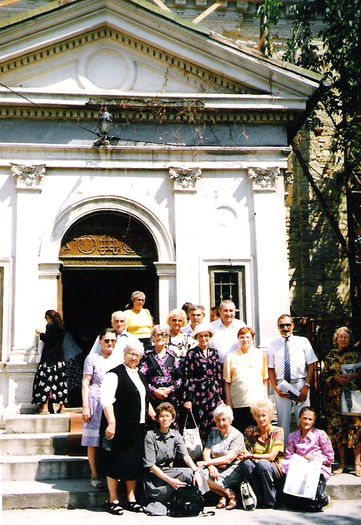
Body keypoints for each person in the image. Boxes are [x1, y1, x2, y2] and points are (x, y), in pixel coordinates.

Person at [100, 341, 154, 515]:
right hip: (119, 426)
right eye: (131, 353)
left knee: (133, 463)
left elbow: (145, 399)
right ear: (124, 354)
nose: (134, 357)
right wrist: (111, 423)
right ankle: (113, 500)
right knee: (115, 462)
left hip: (137, 427)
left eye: (137, 355)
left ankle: (131, 499)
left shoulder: (141, 375)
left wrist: (155, 415)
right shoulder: (114, 374)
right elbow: (106, 400)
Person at [143, 402, 208, 516]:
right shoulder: (150, 436)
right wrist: (171, 481)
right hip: (155, 477)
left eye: (167, 416)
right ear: (158, 419)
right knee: (186, 474)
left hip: (168, 472)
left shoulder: (175, 435)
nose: (164, 419)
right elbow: (151, 466)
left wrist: (196, 471)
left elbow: (186, 456)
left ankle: (198, 500)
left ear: (172, 419)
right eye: (162, 416)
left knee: (196, 472)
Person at [223, 398, 284, 509]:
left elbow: (271, 457)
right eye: (258, 416)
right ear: (254, 416)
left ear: (270, 415)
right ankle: (258, 498)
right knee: (245, 464)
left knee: (263, 464)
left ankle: (271, 500)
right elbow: (244, 451)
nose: (261, 419)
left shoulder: (278, 431)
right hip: (255, 465)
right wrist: (248, 456)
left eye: (264, 415)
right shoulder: (249, 431)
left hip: (273, 467)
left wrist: (252, 456)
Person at [267, 314, 318, 442]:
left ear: (293, 325)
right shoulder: (273, 345)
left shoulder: (303, 341)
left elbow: (312, 364)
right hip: (282, 387)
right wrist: (276, 388)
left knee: (304, 420)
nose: (285, 328)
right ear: (278, 327)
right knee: (283, 422)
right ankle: (283, 453)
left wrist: (307, 387)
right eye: (282, 325)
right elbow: (270, 369)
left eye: (288, 324)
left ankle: (305, 450)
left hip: (300, 385)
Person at [81, 328, 119, 488]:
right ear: (100, 342)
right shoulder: (92, 358)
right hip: (96, 399)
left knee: (113, 437)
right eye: (107, 340)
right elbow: (86, 382)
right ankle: (95, 474)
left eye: (113, 340)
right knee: (93, 439)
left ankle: (114, 474)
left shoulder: (119, 358)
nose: (110, 343)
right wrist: (85, 406)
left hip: (114, 400)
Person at [323, 326, 361, 476]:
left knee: (356, 430)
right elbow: (324, 376)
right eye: (341, 337)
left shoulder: (357, 355)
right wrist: (334, 378)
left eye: (346, 337)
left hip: (353, 397)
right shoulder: (330, 356)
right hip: (335, 399)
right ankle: (342, 464)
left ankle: (358, 464)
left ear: (349, 338)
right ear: (336, 339)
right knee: (337, 430)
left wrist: (355, 376)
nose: (343, 339)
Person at [196, 405, 245, 510]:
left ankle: (222, 496)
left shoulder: (237, 436)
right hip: (215, 468)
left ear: (230, 420)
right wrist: (211, 467)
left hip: (232, 469)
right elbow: (206, 452)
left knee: (204, 476)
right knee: (197, 474)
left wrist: (206, 463)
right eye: (218, 420)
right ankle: (229, 494)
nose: (221, 423)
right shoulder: (214, 433)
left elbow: (229, 459)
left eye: (224, 419)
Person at [182, 323, 224, 442]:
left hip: (214, 393)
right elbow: (188, 376)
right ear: (196, 338)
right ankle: (200, 451)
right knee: (201, 421)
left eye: (206, 335)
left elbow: (218, 374)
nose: (204, 338)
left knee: (215, 420)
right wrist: (188, 399)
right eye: (201, 336)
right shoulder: (192, 353)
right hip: (199, 393)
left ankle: (214, 448)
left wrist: (220, 394)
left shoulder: (214, 352)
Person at [224, 327, 269, 433]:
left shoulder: (260, 354)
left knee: (256, 433)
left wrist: (265, 399)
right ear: (238, 339)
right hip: (238, 402)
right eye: (242, 337)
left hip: (256, 402)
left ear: (253, 338)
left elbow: (265, 379)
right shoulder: (230, 357)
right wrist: (229, 402)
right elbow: (227, 382)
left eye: (248, 337)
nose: (245, 340)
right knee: (239, 432)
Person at [282, 407, 334, 498]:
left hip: (316, 466)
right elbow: (288, 455)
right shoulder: (293, 436)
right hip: (299, 466)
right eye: (304, 418)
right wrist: (300, 459)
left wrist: (315, 459)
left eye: (310, 419)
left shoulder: (320, 434)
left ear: (314, 422)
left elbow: (330, 457)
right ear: (300, 419)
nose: (307, 421)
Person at [140, 325, 183, 413]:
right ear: (152, 338)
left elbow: (180, 378)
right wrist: (154, 390)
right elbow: (142, 377)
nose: (160, 337)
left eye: (163, 335)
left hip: (171, 396)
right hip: (153, 396)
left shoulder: (173, 355)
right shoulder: (147, 355)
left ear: (167, 338)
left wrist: (170, 389)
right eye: (157, 335)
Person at [32, 310, 68, 414]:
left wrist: (40, 334)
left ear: (48, 317)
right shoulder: (61, 327)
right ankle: (62, 407)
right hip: (59, 359)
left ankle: (45, 407)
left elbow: (49, 339)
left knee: (46, 383)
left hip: (49, 358)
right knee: (60, 383)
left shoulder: (50, 325)